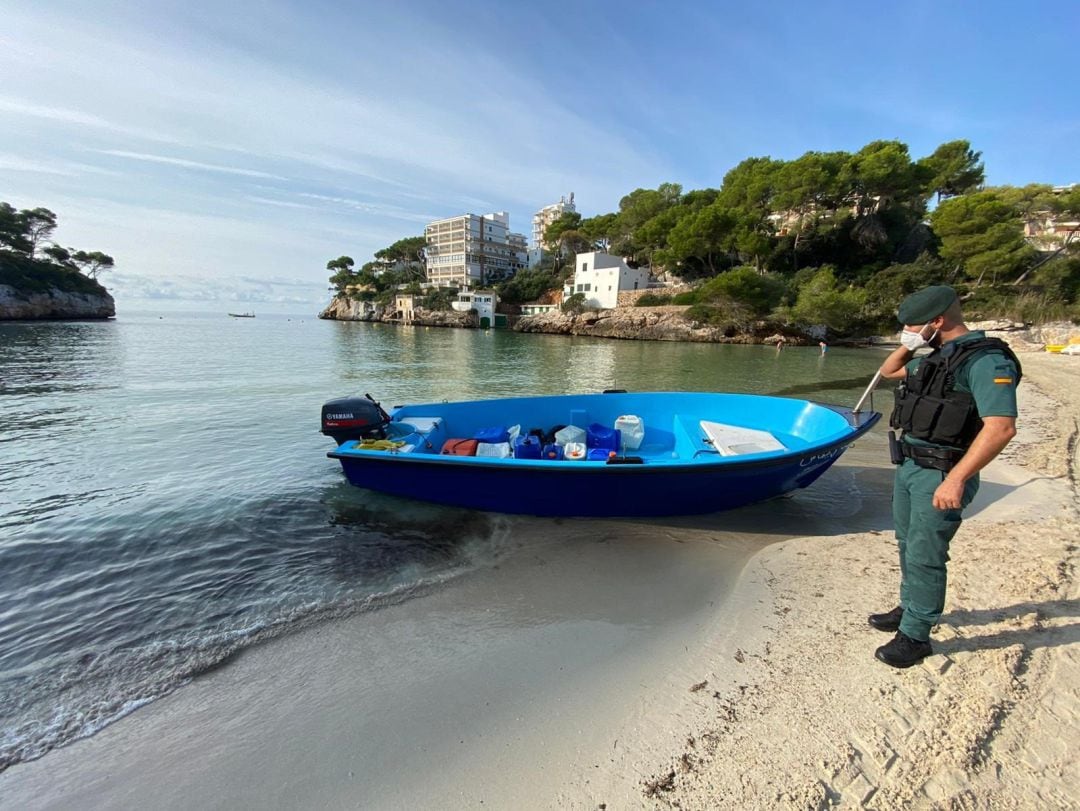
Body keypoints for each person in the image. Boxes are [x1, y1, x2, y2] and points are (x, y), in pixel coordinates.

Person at [872, 285, 1021, 668]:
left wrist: (956, 479)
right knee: (908, 543)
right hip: (911, 465)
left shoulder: (986, 361)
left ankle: (916, 636)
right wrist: (911, 343)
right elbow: (888, 371)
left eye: (913, 325)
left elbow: (1001, 428)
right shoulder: (939, 356)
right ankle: (909, 608)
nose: (907, 330)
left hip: (942, 472)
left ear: (937, 321)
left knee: (926, 553)